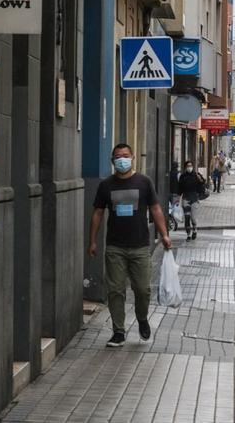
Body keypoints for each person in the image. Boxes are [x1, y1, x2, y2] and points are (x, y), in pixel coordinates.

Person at [88, 143, 171, 348]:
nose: (122, 159)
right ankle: (118, 331)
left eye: (125, 155)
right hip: (115, 245)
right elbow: (98, 213)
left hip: (140, 246)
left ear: (133, 157)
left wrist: (164, 235)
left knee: (142, 289)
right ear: (112, 161)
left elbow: (156, 208)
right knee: (115, 290)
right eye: (118, 156)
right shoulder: (106, 185)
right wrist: (92, 241)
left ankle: (142, 318)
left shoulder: (144, 182)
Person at [178, 161, 206, 241]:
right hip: (185, 199)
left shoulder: (196, 175)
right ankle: (188, 235)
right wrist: (177, 199)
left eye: (191, 165)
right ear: (185, 167)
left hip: (194, 199)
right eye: (188, 166)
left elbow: (203, 182)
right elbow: (179, 188)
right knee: (187, 217)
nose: (190, 167)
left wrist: (200, 179)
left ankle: (195, 229)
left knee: (193, 218)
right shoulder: (182, 176)